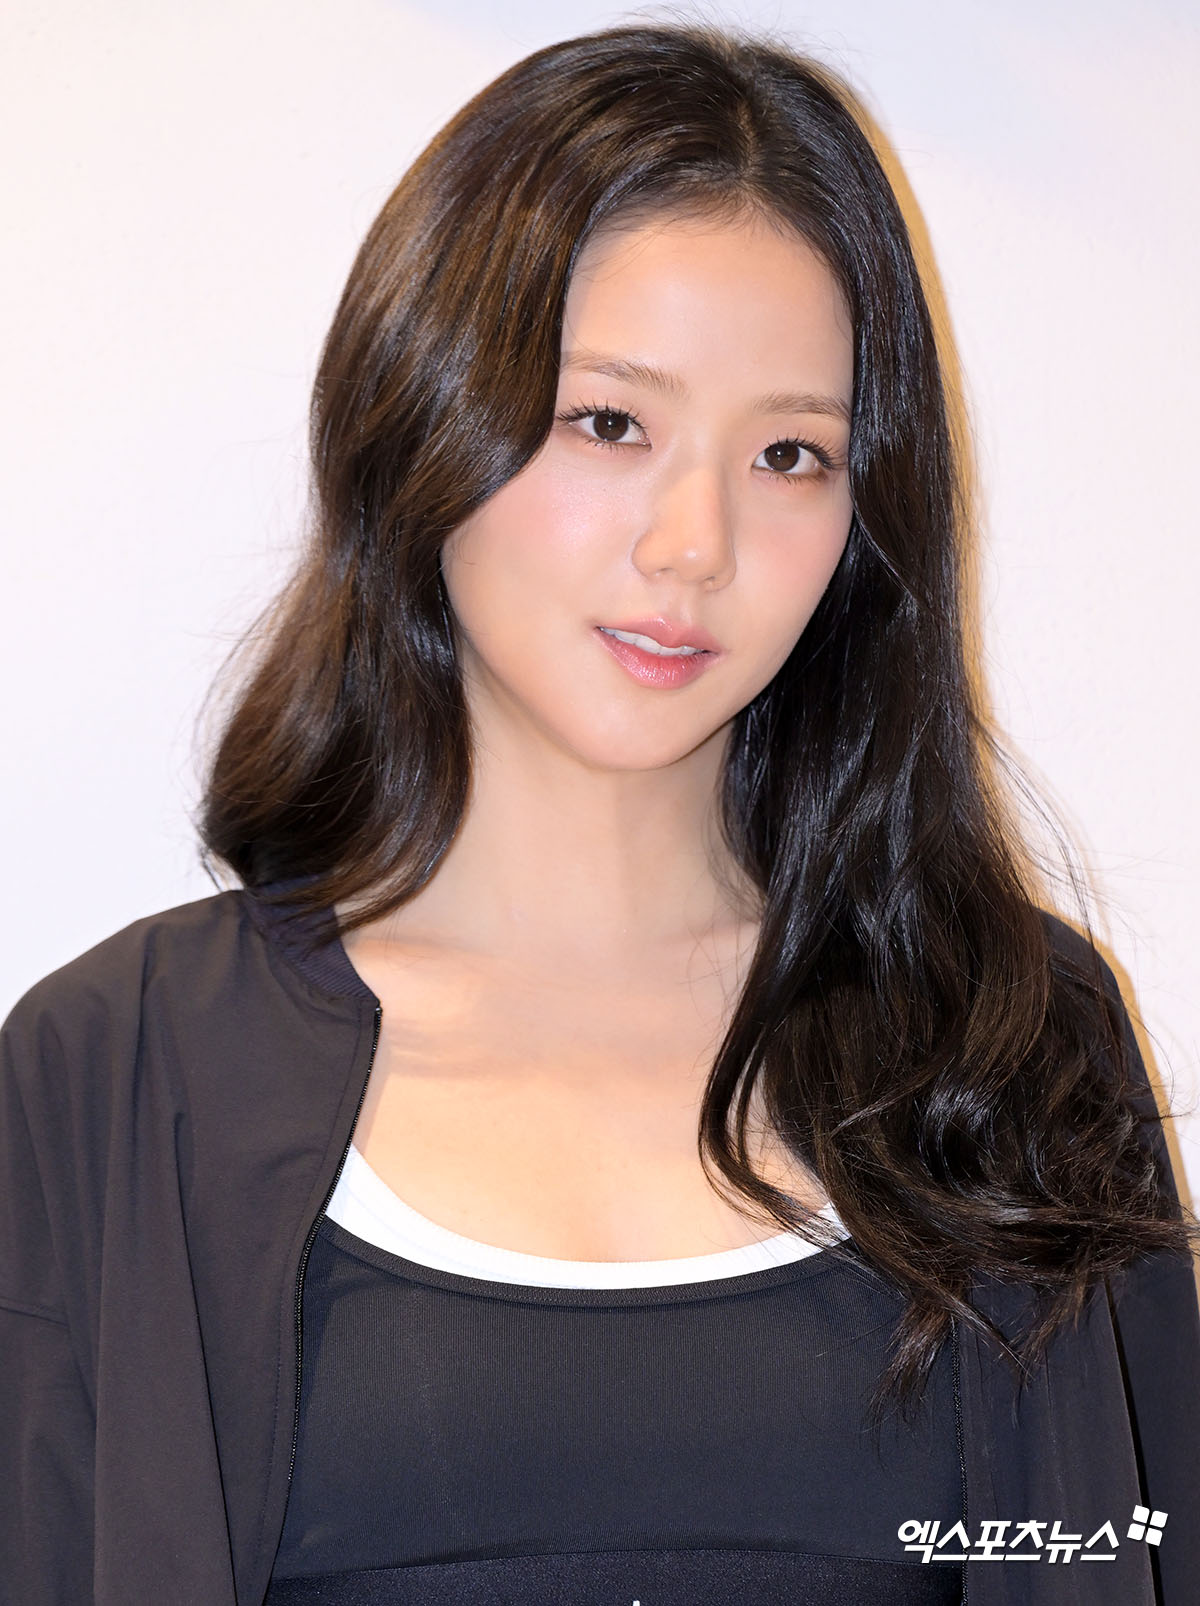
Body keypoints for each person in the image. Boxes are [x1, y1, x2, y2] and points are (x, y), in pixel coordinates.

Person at [2, 20, 1198, 1606]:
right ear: (424, 409)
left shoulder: (1014, 1043)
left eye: (792, 453)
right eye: (610, 422)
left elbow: (1123, 1551)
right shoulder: (119, 1071)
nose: (694, 543)